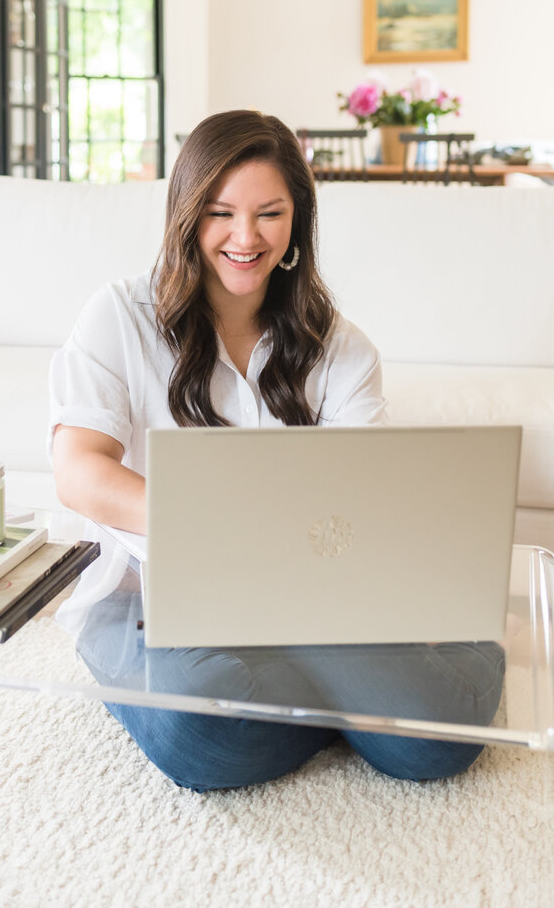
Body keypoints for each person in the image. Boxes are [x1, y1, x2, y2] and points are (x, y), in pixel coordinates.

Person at [49, 110, 504, 793]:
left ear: (297, 222)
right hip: (152, 596)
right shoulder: (117, 315)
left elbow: (367, 500)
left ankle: (331, 696)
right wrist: (220, 527)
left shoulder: (342, 348)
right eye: (220, 212)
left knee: (435, 747)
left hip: (308, 600)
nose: (244, 237)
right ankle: (354, 706)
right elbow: (79, 471)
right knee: (199, 740)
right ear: (186, 213)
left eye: (269, 213)